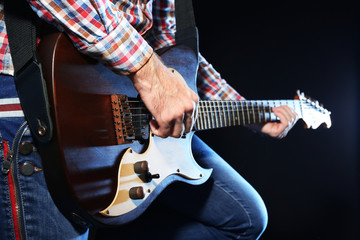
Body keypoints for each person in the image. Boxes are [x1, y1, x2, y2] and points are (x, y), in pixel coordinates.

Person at [0, 0, 298, 239]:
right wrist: (147, 71)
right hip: (37, 100)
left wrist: (245, 111)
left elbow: (171, 48)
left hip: (131, 104)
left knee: (244, 218)